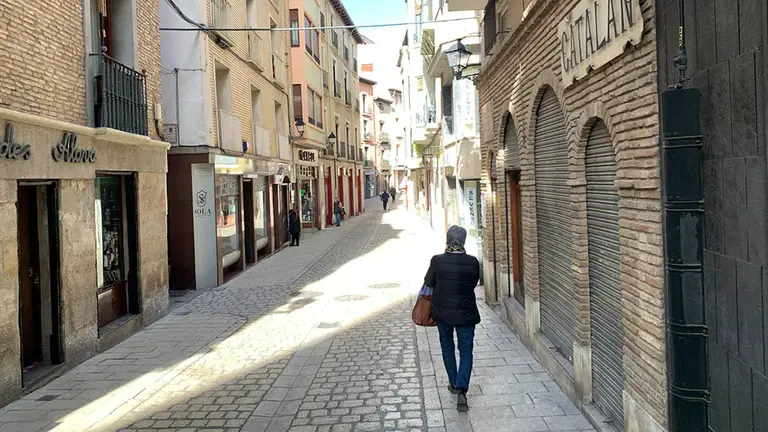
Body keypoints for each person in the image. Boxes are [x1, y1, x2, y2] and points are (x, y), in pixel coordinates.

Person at [422, 225, 481, 412]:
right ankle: (462, 388)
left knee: (447, 347)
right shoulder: (472, 262)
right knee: (466, 350)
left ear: (447, 239)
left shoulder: (437, 261)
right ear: (463, 241)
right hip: (466, 314)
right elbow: (473, 284)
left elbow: (429, 282)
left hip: (443, 314)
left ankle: (453, 383)